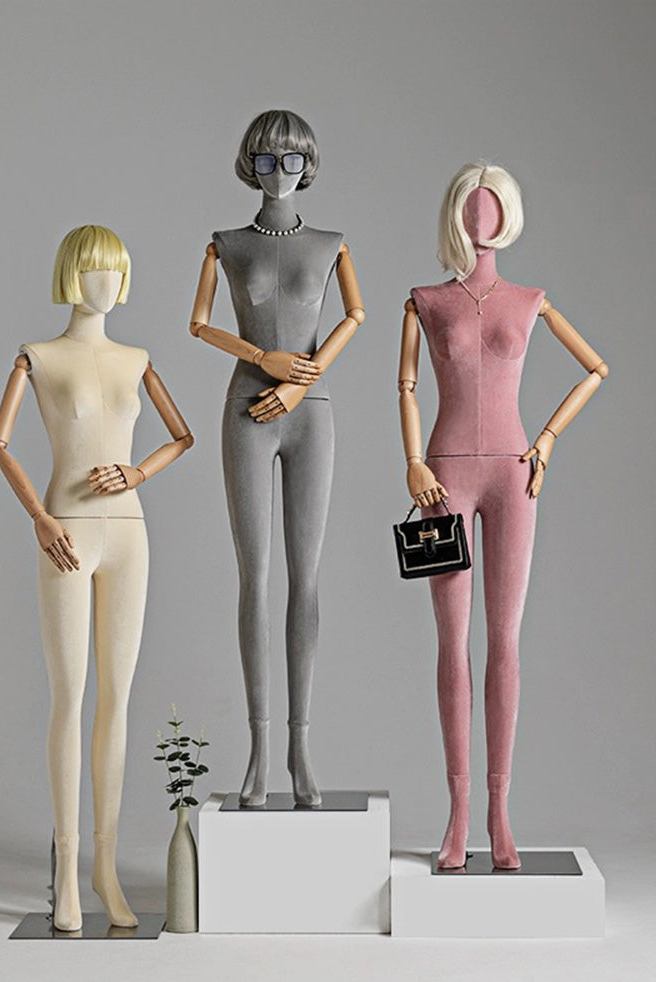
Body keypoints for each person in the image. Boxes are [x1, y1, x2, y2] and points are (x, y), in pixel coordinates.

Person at [398, 163, 609, 868]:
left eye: (491, 205)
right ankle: (458, 813)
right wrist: (412, 462)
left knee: (505, 641)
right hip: (444, 479)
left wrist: (546, 439)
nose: (480, 217)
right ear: (455, 213)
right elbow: (406, 386)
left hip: (514, 474)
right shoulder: (426, 301)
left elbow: (595, 368)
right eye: (470, 204)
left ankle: (500, 811)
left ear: (508, 214)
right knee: (451, 642)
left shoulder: (529, 301)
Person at [0, 225, 193, 929]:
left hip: (129, 534)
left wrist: (138, 472)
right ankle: (68, 870)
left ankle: (107, 868)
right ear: (71, 275)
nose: (106, 283)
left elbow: (182, 435)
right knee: (70, 695)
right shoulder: (38, 356)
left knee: (119, 699)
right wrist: (40, 518)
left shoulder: (138, 360)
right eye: (94, 270)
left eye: (116, 271)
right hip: (68, 532)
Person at [189, 110, 365, 806]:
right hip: (246, 410)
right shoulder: (226, 245)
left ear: (308, 165)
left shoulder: (332, 245)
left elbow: (355, 316)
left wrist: (299, 382)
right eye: (266, 160)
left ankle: (301, 749)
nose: (279, 172)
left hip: (309, 413)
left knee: (306, 578)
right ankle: (260, 751)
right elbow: (199, 323)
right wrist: (263, 358)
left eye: (291, 161)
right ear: (250, 166)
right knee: (254, 577)